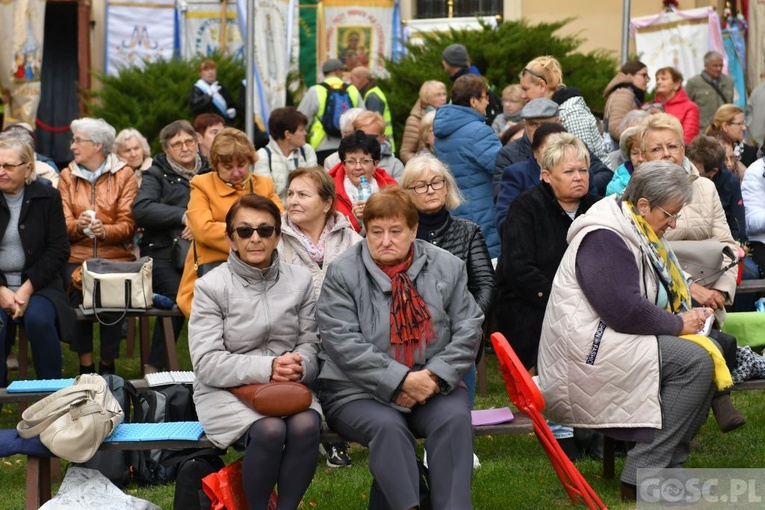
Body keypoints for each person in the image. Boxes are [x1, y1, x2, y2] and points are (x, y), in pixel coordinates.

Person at [537, 161, 723, 500]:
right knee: (695, 361)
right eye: (669, 215)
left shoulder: (632, 224)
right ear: (643, 206)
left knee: (708, 349)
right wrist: (679, 324)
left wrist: (684, 321)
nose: (673, 224)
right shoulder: (606, 237)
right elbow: (624, 310)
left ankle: (669, 469)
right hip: (586, 352)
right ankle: (643, 475)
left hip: (606, 337)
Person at [316, 187, 484, 510]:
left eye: (396, 231)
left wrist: (433, 377)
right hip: (356, 392)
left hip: (434, 387)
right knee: (388, 427)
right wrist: (401, 381)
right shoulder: (342, 272)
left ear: (414, 230)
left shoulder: (446, 266)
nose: (385, 240)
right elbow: (343, 343)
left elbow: (468, 328)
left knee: (452, 420)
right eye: (376, 232)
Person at [189, 194, 321, 509]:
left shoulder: (301, 281)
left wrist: (300, 368)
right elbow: (206, 362)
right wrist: (269, 367)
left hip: (288, 386)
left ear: (277, 235)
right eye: (245, 231)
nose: (256, 238)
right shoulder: (211, 286)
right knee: (271, 429)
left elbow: (312, 343)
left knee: (306, 424)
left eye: (265, 230)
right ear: (231, 239)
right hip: (225, 389)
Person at [279, 166, 362, 468]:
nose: (293, 201)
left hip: (344, 332)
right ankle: (325, 436)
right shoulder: (274, 239)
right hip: (293, 334)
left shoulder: (351, 239)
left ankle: (337, 433)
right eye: (290, 194)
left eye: (303, 194)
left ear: (327, 203)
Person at [496, 133, 599, 372]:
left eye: (583, 171)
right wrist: (560, 301)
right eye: (569, 172)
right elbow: (518, 268)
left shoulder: (598, 208)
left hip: (588, 301)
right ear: (546, 176)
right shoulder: (525, 207)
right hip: (533, 300)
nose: (578, 178)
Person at [401, 153, 495, 408]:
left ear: (447, 186)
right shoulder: (400, 234)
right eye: (420, 185)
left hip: (459, 332)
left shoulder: (468, 231)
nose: (430, 190)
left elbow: (485, 284)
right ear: (408, 193)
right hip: (409, 335)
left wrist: (467, 322)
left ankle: (458, 440)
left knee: (458, 408)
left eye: (436, 182)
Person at [640, 114, 738, 321]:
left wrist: (720, 293)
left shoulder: (705, 187)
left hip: (709, 298)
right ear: (643, 155)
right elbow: (641, 257)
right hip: (659, 302)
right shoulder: (633, 194)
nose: (666, 154)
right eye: (657, 149)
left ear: (683, 149)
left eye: (672, 146)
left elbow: (728, 246)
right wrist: (689, 287)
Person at [176, 128, 283, 317]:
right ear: (216, 165)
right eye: (228, 167)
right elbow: (202, 230)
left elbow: (280, 225)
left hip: (259, 275)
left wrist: (226, 229)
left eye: (241, 165)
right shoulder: (201, 184)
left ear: (251, 161)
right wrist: (257, 240)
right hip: (210, 271)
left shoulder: (264, 185)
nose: (236, 173)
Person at [59, 117, 138, 375]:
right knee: (79, 286)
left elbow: (129, 224)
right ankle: (86, 366)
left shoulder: (124, 175)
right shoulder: (67, 176)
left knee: (111, 293)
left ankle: (107, 364)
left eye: (77, 140)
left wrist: (105, 231)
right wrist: (78, 226)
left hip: (115, 255)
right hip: (77, 255)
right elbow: (61, 224)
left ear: (97, 145)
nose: (72, 146)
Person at [132, 120, 209, 372]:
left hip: (205, 251)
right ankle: (156, 365)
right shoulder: (156, 173)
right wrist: (183, 217)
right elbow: (142, 209)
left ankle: (212, 361)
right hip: (163, 253)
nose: (185, 147)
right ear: (166, 149)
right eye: (177, 144)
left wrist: (200, 223)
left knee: (216, 297)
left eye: (189, 142)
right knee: (182, 296)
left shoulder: (210, 170)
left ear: (197, 143)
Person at [0, 136, 74, 388]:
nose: (1, 172)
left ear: (28, 168)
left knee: (40, 320)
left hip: (40, 284)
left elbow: (58, 249)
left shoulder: (47, 196)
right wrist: (1, 290)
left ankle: (52, 397)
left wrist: (26, 288)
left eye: (8, 166)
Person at [433, 74, 501, 258]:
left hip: (454, 208)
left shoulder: (442, 131)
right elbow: (501, 167)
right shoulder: (479, 132)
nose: (488, 102)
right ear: (473, 101)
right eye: (485, 97)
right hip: (481, 212)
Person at [519, 55, 609, 165]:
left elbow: (582, 162)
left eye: (525, 89)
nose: (523, 96)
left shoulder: (572, 114)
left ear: (542, 85)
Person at [327, 130, 397, 233]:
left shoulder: (391, 189)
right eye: (351, 161)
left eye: (365, 161)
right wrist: (356, 221)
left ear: (375, 164)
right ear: (343, 165)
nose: (358, 167)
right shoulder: (329, 191)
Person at [298, 58, 364, 165]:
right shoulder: (352, 90)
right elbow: (364, 118)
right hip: (350, 145)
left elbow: (300, 120)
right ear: (338, 71)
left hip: (321, 144)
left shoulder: (315, 90)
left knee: (324, 180)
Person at [686, 135, 746, 242]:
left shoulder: (731, 182)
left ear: (713, 171)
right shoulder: (683, 173)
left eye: (697, 168)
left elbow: (737, 222)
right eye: (691, 164)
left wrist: (738, 245)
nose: (691, 170)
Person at [253, 107, 318, 206]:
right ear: (288, 134)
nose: (305, 133)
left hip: (305, 212)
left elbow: (314, 186)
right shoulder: (263, 156)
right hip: (276, 214)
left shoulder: (307, 151)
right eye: (301, 130)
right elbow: (264, 195)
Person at [441, 43, 502, 125]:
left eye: (444, 59)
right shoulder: (475, 79)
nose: (442, 62)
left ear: (450, 62)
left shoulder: (467, 86)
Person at [685, 52, 735, 132]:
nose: (719, 69)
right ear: (706, 66)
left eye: (721, 65)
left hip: (724, 131)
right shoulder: (694, 83)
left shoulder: (729, 82)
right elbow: (686, 107)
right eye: (715, 66)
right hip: (703, 132)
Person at [349, 66, 395, 152]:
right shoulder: (372, 93)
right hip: (382, 144)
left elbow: (372, 124)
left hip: (381, 146)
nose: (350, 83)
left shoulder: (372, 97)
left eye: (352, 79)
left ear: (361, 78)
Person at [400, 80, 447, 163]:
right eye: (438, 95)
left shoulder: (447, 115)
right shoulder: (415, 119)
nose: (443, 98)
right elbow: (405, 152)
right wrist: (424, 163)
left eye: (444, 94)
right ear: (427, 98)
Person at [603, 60, 650, 141]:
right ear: (630, 76)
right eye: (644, 75)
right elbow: (615, 127)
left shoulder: (628, 93)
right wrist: (635, 141)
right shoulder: (624, 94)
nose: (647, 80)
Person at [351, 111, 404, 182]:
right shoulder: (336, 161)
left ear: (383, 138)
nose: (366, 140)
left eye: (372, 137)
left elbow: (398, 192)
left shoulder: (394, 165)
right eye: (361, 135)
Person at [654, 67, 699, 144]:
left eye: (663, 79)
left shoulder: (689, 107)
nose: (658, 82)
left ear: (676, 84)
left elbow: (688, 138)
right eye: (657, 79)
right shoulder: (650, 106)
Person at [605, 126, 643, 197]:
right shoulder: (616, 187)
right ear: (629, 156)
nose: (640, 159)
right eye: (635, 153)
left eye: (644, 152)